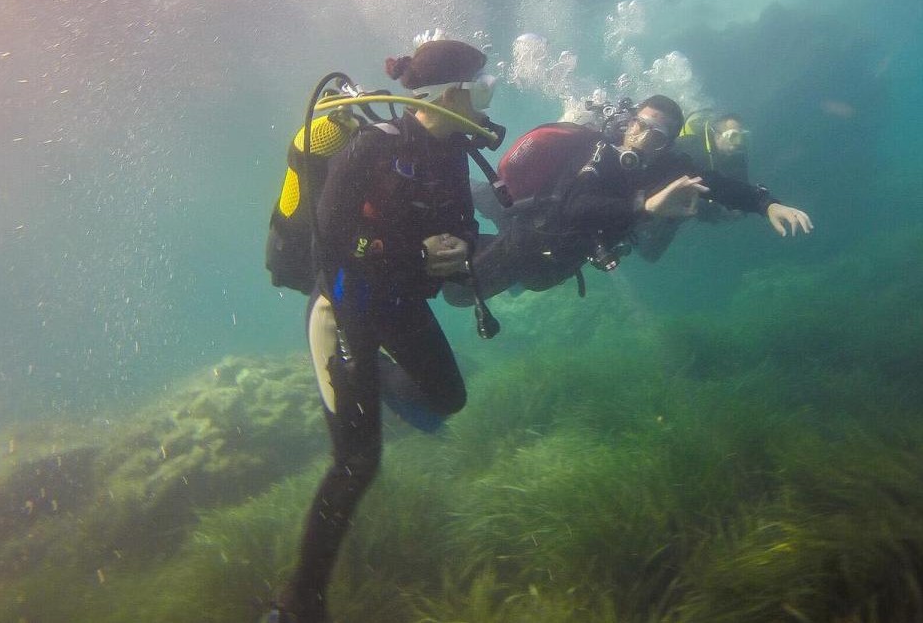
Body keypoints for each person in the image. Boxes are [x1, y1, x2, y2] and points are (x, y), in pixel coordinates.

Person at [265, 40, 494, 623]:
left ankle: (376, 384)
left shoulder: (454, 150)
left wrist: (460, 246)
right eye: (479, 89)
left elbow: (465, 221)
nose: (485, 100)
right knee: (358, 463)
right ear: (448, 96)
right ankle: (298, 605)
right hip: (344, 308)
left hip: (398, 303)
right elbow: (333, 244)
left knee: (449, 397)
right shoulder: (372, 147)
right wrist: (415, 254)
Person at [445, 95, 811, 305]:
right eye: (639, 125)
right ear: (629, 121)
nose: (641, 138)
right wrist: (644, 205)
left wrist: (766, 203)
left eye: (657, 135)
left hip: (557, 257)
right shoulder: (598, 149)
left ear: (667, 144)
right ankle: (449, 175)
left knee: (491, 285)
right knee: (458, 292)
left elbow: (715, 184)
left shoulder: (668, 167)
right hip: (524, 219)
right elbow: (574, 208)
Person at [632, 108, 752, 261]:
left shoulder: (737, 157)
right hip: (663, 200)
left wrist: (740, 209)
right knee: (647, 246)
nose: (738, 144)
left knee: (651, 254)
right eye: (733, 137)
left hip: (688, 208)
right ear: (717, 135)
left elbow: (742, 189)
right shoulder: (689, 146)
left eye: (742, 137)